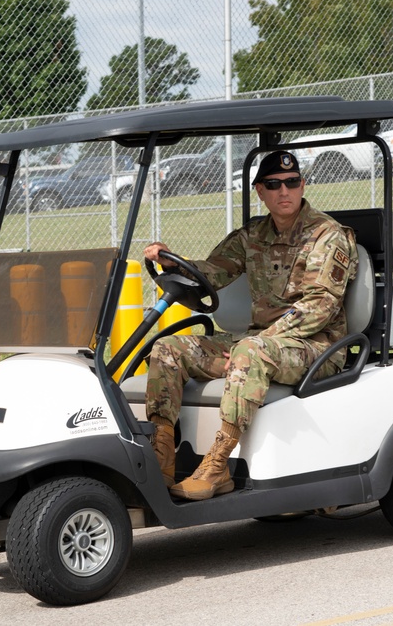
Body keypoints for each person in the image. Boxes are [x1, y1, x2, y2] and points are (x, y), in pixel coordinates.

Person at [142, 150, 359, 501]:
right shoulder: (252, 236)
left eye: (292, 183)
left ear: (303, 185)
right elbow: (211, 271)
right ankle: (162, 451)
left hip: (317, 347)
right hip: (262, 346)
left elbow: (319, 307)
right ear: (259, 191)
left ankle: (218, 465)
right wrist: (171, 262)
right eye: (273, 184)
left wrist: (252, 348)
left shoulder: (327, 235)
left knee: (248, 349)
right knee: (168, 349)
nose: (284, 191)